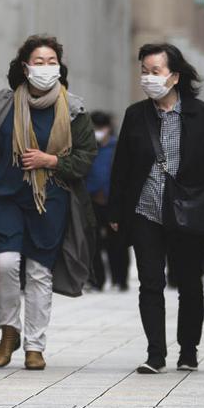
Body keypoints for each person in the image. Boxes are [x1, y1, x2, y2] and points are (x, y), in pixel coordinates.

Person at [0, 35, 97, 371]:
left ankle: (35, 345)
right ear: (25, 67)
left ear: (59, 67)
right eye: (38, 62)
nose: (45, 68)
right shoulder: (4, 104)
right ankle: (9, 330)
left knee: (39, 273)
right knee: (4, 265)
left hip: (50, 202)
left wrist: (51, 161)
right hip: (5, 198)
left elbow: (87, 157)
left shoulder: (73, 109)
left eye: (51, 62)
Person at [107, 43, 204, 374]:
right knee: (150, 282)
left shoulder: (200, 113)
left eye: (156, 71)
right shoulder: (136, 114)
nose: (148, 78)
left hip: (187, 211)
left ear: (174, 77)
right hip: (146, 210)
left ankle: (188, 350)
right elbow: (121, 167)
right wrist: (116, 212)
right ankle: (156, 354)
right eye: (144, 71)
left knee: (190, 283)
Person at [85, 111, 129, 291]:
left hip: (114, 201)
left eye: (100, 128)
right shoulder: (88, 148)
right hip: (92, 200)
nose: (98, 131)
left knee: (117, 242)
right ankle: (97, 280)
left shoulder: (118, 147)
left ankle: (120, 280)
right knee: (93, 243)